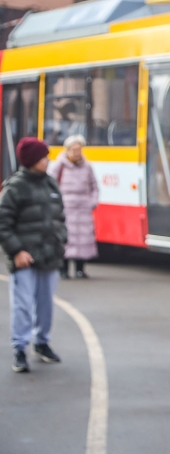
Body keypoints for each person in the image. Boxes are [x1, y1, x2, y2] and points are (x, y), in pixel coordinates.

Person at [0, 137, 67, 373]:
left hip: (50, 256)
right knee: (23, 306)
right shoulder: (14, 188)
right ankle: (20, 349)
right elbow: (3, 223)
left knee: (46, 305)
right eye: (43, 156)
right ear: (31, 160)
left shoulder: (50, 184)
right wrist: (17, 251)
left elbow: (60, 218)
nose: (47, 160)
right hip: (25, 259)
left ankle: (42, 343)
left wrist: (62, 242)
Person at [48, 135, 99, 279]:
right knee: (65, 239)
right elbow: (50, 186)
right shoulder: (59, 166)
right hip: (65, 208)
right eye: (75, 150)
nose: (77, 153)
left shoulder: (87, 167)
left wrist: (92, 202)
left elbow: (94, 186)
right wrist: (56, 205)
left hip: (83, 208)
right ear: (68, 150)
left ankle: (80, 269)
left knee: (83, 240)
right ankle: (63, 269)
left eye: (79, 149)